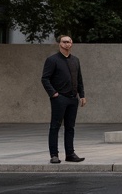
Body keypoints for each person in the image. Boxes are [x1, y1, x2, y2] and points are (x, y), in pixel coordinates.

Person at [41, 34, 87, 163]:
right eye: (64, 42)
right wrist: (53, 93)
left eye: (69, 42)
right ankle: (54, 155)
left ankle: (70, 154)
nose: (67, 44)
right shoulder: (52, 60)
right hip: (59, 98)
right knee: (55, 126)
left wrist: (82, 95)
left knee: (70, 127)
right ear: (59, 44)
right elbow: (45, 78)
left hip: (73, 98)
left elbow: (79, 79)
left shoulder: (75, 60)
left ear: (71, 44)